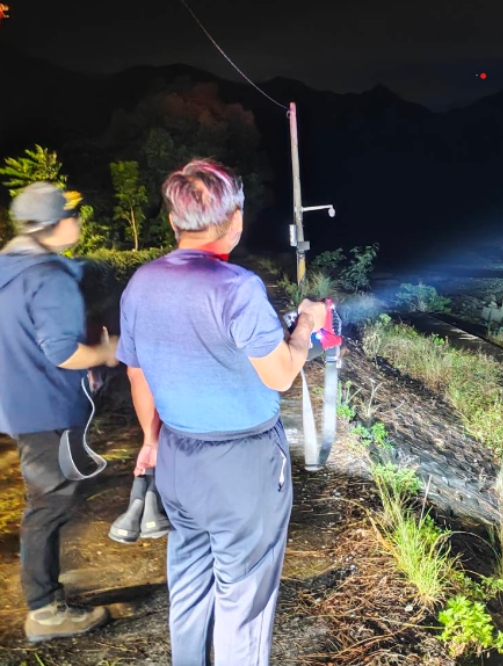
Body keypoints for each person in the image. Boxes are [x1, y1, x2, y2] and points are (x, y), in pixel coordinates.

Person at [117, 158, 327, 665]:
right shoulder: (237, 288)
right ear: (235, 221)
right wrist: (305, 325)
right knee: (244, 601)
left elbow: (137, 374)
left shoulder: (141, 284)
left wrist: (151, 441)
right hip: (244, 463)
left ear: (173, 222)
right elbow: (280, 374)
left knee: (188, 583)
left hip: (176, 456)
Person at [0, 182, 119, 643]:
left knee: (45, 500)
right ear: (55, 226)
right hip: (46, 406)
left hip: (18, 404)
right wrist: (106, 352)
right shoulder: (49, 276)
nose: (79, 222)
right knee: (48, 505)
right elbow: (63, 352)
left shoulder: (9, 268)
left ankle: (43, 599)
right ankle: (44, 610)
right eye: (74, 215)